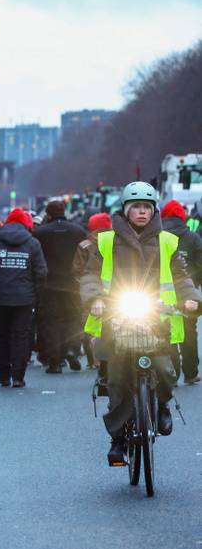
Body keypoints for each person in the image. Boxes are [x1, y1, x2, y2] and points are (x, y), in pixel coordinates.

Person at [79, 182, 200, 465]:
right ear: (126, 210)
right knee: (117, 380)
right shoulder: (105, 241)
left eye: (147, 207)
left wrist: (190, 298)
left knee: (167, 370)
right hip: (117, 317)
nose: (142, 212)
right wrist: (94, 299)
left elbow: (182, 277)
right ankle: (118, 439)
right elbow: (90, 275)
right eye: (136, 207)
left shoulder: (168, 241)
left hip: (157, 318)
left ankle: (162, 405)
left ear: (154, 210)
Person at [0, 208, 47, 387]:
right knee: (21, 336)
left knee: (2, 335)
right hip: (25, 299)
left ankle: (3, 375)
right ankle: (18, 377)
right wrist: (38, 296)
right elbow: (41, 273)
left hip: (0, 297)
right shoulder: (32, 243)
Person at [34, 200, 88, 373]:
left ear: (48, 214)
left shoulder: (40, 233)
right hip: (73, 283)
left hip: (49, 285)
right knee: (73, 318)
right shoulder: (78, 231)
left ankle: (55, 361)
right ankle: (73, 348)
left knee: (52, 322)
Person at [160, 199, 202, 384]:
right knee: (189, 333)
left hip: (163, 293)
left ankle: (171, 373)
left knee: (165, 332)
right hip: (188, 292)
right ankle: (191, 373)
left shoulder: (159, 236)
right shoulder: (193, 237)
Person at [72, 212, 113, 370]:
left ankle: (93, 360)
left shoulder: (84, 245)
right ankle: (109, 359)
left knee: (89, 324)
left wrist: (83, 287)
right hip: (114, 292)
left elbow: (77, 270)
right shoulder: (117, 242)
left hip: (89, 290)